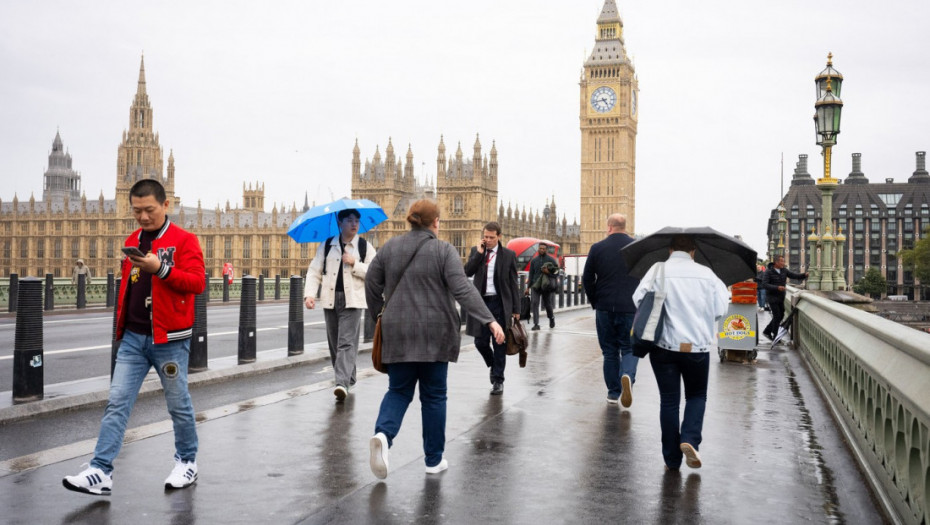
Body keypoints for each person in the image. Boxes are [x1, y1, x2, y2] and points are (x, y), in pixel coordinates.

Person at [63, 178, 205, 495]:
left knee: (178, 404)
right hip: (133, 339)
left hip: (168, 340)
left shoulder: (184, 240)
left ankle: (187, 462)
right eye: (136, 211)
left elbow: (197, 283)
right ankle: (100, 470)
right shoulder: (132, 239)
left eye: (149, 210)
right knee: (117, 403)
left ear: (166, 205)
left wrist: (161, 269)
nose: (142, 217)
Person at [365, 199, 505, 479]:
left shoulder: (390, 247)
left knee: (399, 391)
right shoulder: (443, 250)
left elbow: (371, 282)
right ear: (436, 222)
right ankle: (433, 459)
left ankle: (383, 434)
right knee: (434, 396)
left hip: (399, 332)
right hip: (435, 334)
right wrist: (489, 319)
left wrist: (378, 314)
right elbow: (463, 289)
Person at [632, 235, 728, 471]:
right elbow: (721, 308)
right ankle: (690, 438)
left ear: (670, 249)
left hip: (663, 347)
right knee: (696, 396)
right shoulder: (707, 274)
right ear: (693, 251)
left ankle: (671, 459)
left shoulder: (657, 269)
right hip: (697, 348)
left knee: (669, 401)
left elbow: (638, 300)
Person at [303, 208, 375, 401]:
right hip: (330, 299)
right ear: (340, 223)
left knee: (345, 343)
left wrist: (354, 263)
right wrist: (309, 294)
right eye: (350, 220)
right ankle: (349, 377)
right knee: (335, 343)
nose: (354, 224)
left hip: (352, 301)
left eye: (357, 221)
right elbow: (314, 270)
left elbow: (376, 272)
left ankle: (341, 383)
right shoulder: (327, 245)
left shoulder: (364, 247)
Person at [582, 214, 640, 407]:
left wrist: (595, 300)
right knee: (629, 348)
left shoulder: (597, 248)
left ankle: (613, 393)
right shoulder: (636, 248)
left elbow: (587, 278)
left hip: (605, 307)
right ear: (625, 226)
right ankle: (627, 376)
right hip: (629, 307)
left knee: (609, 352)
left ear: (609, 227)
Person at [464, 222, 521, 395]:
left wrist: (516, 309)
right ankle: (493, 365)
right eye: (485, 237)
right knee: (480, 342)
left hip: (499, 303)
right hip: (481, 303)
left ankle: (498, 380)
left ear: (499, 237)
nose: (487, 240)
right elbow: (467, 272)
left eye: (491, 237)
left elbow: (513, 283)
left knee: (500, 343)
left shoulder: (509, 255)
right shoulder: (477, 252)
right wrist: (479, 255)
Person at [762, 255, 808, 340]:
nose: (783, 263)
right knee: (776, 316)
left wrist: (804, 275)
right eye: (782, 261)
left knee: (781, 315)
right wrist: (777, 287)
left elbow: (794, 275)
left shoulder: (784, 270)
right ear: (776, 262)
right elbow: (764, 284)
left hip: (780, 297)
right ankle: (775, 336)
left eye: (783, 261)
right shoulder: (768, 271)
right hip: (772, 297)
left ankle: (767, 331)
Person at [527, 242, 558, 330]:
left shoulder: (551, 260)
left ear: (546, 250)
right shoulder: (534, 261)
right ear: (538, 249)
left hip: (546, 286)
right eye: (540, 248)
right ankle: (536, 324)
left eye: (544, 249)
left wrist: (548, 273)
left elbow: (556, 272)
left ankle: (551, 318)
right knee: (534, 304)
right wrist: (528, 287)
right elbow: (531, 274)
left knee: (547, 304)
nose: (542, 250)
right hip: (535, 286)